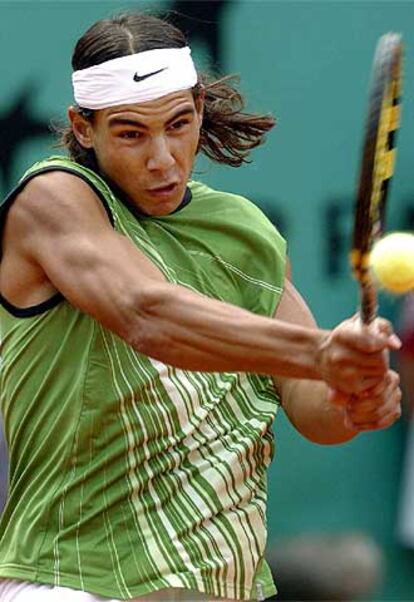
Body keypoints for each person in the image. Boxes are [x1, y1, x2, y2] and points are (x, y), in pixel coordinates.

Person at [0, 11, 402, 602]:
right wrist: (321, 351)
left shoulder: (243, 231)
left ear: (198, 112)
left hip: (225, 585)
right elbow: (147, 315)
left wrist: (356, 391)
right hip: (74, 582)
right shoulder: (53, 199)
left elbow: (313, 410)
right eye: (132, 133)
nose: (162, 157)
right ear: (83, 129)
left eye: (179, 124)